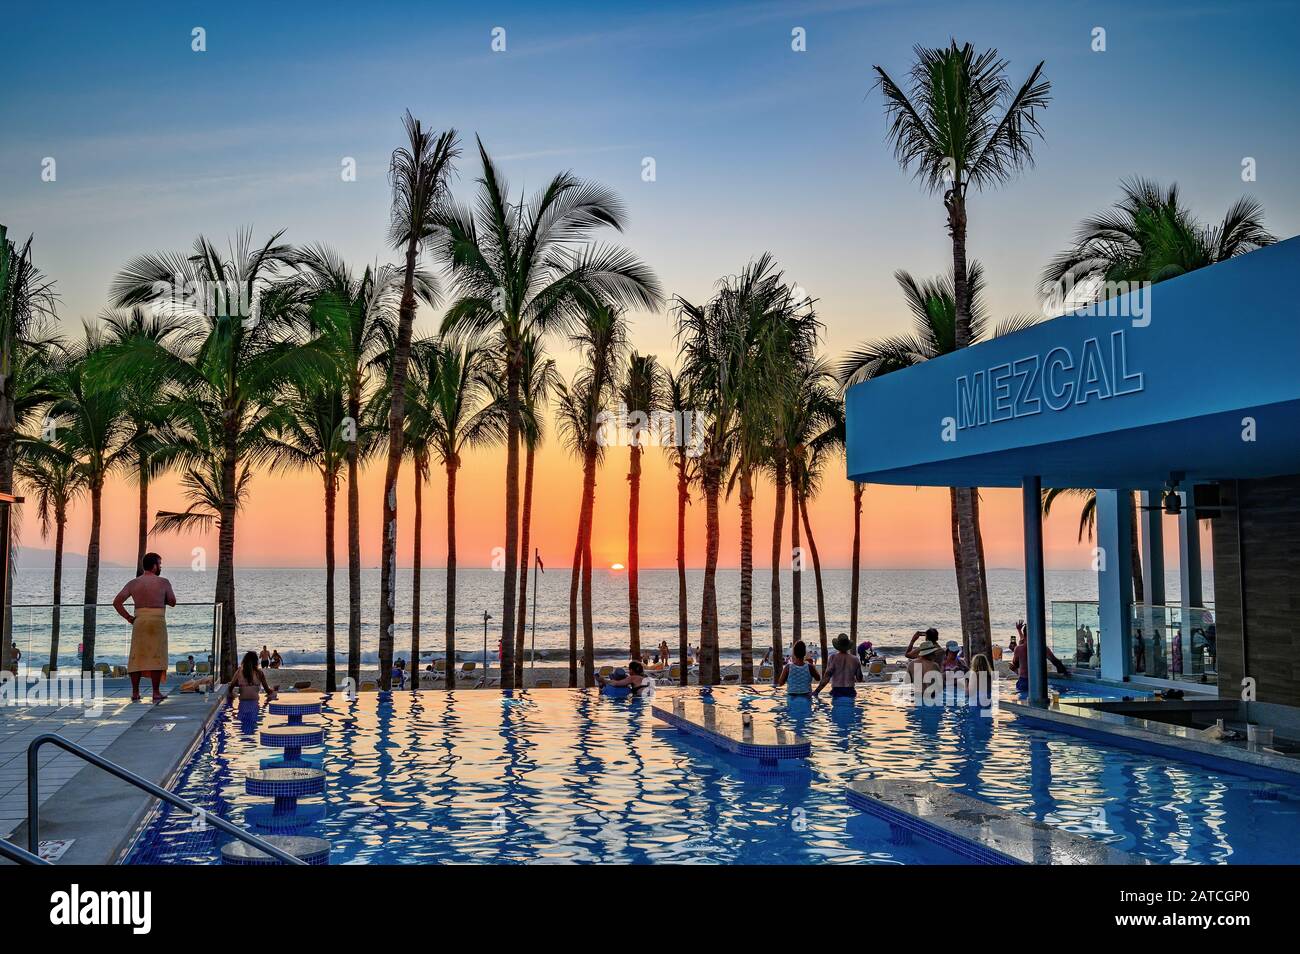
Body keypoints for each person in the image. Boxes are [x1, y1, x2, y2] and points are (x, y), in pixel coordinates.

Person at [112, 552, 177, 703]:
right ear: (154, 566)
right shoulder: (163, 582)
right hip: (157, 621)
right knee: (157, 657)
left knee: (137, 658)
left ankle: (135, 693)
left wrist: (129, 617)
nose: (160, 567)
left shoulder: (134, 583)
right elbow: (173, 601)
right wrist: (162, 599)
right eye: (159, 564)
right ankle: (155, 692)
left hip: (139, 621)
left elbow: (117, 602)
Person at [1009, 619, 1068, 692]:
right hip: (1039, 682)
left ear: (1025, 635)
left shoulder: (1018, 649)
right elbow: (1056, 662)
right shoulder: (1043, 648)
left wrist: (1014, 651)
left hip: (1024, 682)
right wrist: (1065, 674)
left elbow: (1015, 665)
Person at [813, 634, 863, 699]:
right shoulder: (855, 659)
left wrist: (816, 691)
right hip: (850, 691)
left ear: (838, 646)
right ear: (848, 646)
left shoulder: (833, 658)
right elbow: (859, 679)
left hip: (836, 691)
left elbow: (826, 678)